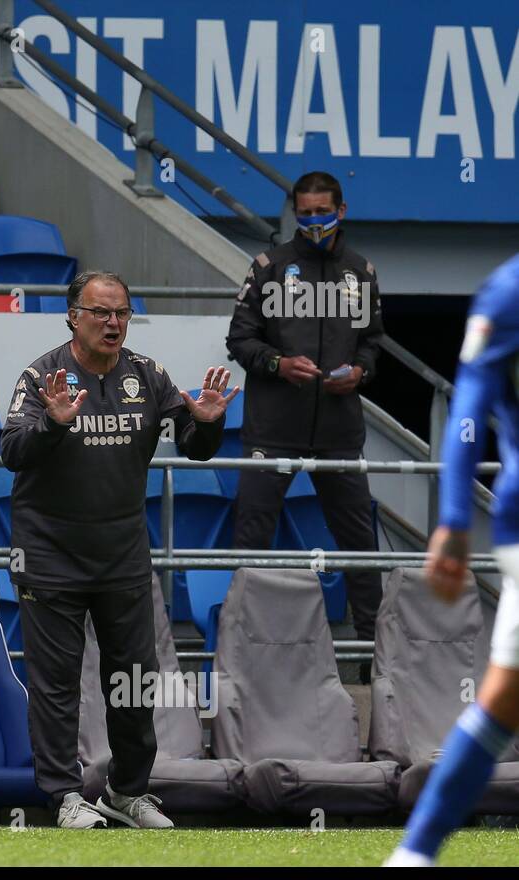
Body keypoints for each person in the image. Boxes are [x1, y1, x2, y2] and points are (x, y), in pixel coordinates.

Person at [2, 270, 238, 830]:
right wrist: (53, 426)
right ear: (73, 316)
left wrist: (209, 423)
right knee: (57, 686)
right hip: (50, 554)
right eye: (101, 313)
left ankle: (126, 792)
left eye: (122, 313)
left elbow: (195, 446)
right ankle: (62, 795)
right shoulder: (42, 375)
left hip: (123, 556)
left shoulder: (148, 375)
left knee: (133, 680)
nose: (113, 323)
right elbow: (12, 451)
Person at [385, 254, 519, 867]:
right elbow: (469, 403)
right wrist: (455, 519)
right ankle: (414, 860)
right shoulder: (508, 291)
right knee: (503, 700)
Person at [225, 170, 386, 650]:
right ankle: (241, 646)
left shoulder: (362, 272)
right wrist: (278, 363)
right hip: (271, 430)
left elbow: (374, 343)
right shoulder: (268, 266)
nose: (315, 220)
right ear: (295, 212)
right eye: (306, 212)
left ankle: (370, 653)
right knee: (251, 540)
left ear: (342, 209)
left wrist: (361, 371)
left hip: (339, 431)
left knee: (359, 542)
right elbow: (239, 338)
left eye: (324, 211)